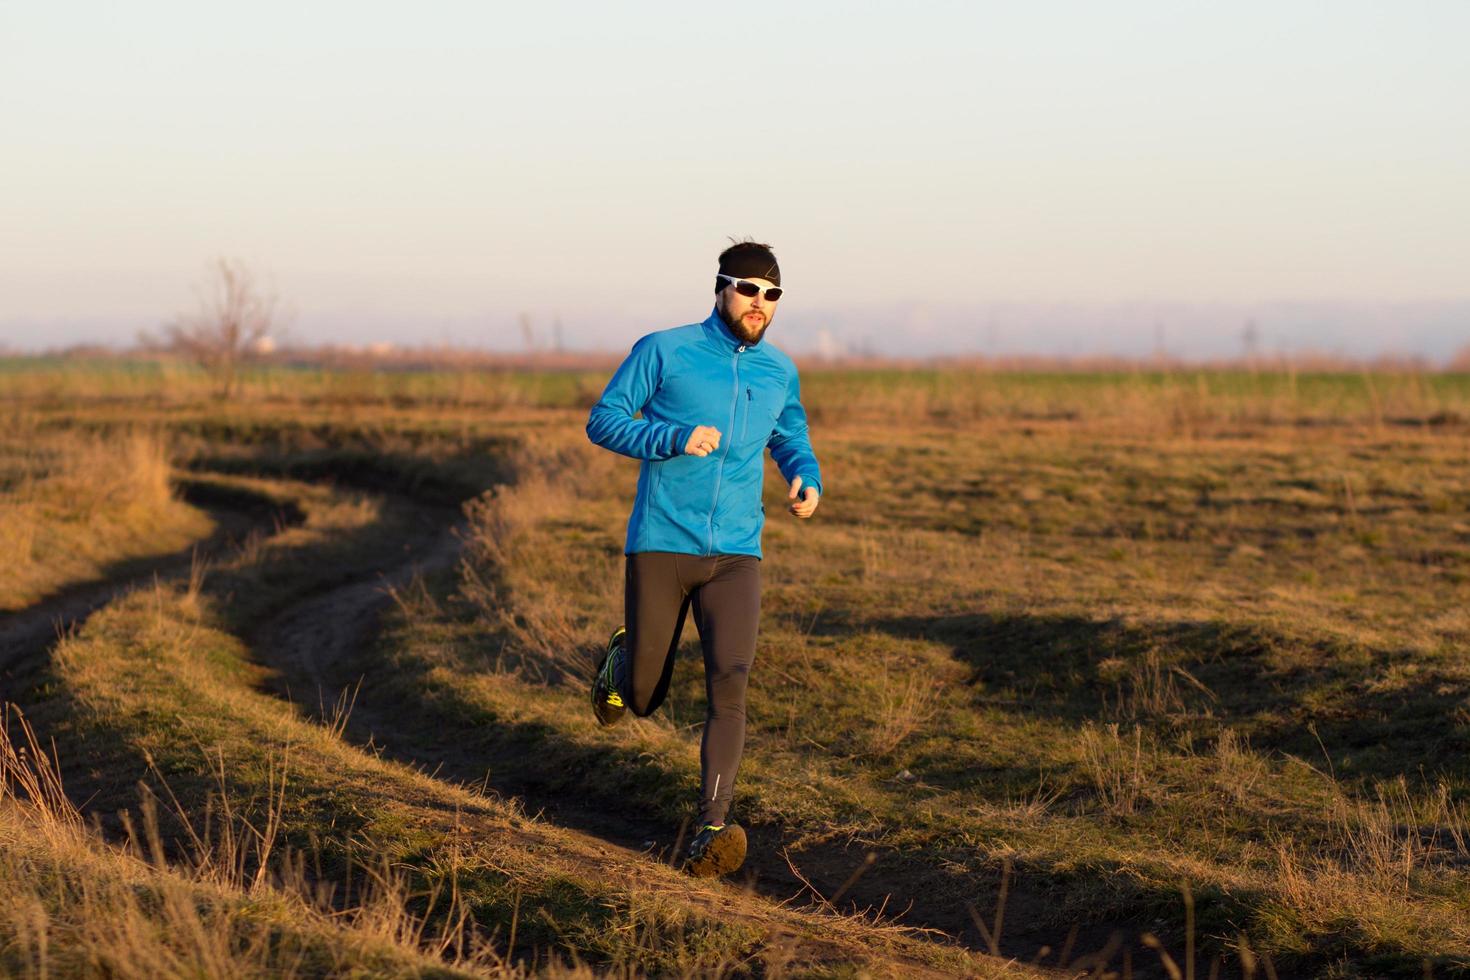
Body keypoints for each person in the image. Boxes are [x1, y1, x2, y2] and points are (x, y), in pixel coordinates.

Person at [584, 239, 822, 878]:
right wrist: (672, 437)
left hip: (737, 554)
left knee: (730, 685)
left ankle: (711, 829)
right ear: (721, 287)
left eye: (772, 294)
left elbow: (789, 433)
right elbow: (603, 420)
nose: (760, 303)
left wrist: (805, 476)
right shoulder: (664, 350)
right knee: (640, 697)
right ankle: (621, 660)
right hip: (662, 542)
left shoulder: (778, 371)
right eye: (749, 289)